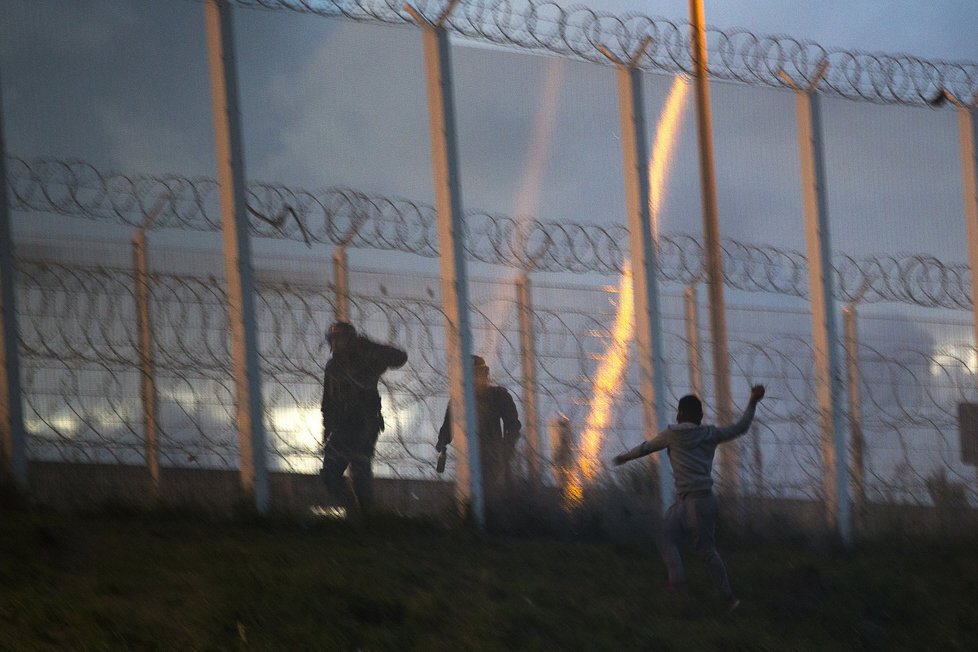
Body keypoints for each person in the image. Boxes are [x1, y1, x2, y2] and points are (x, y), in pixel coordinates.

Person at [612, 385, 766, 612]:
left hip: (691, 502)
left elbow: (646, 448)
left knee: (697, 547)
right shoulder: (710, 433)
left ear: (680, 414)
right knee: (672, 537)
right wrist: (753, 401)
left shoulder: (671, 434)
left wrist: (624, 457)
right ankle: (679, 584)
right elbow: (740, 428)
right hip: (700, 501)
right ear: (700, 416)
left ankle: (728, 597)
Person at [320, 321, 407, 515]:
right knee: (329, 474)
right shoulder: (333, 365)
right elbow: (327, 399)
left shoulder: (366, 358)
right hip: (341, 427)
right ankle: (353, 510)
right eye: (332, 339)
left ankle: (367, 518)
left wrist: (368, 347)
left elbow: (399, 357)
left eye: (340, 339)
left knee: (360, 473)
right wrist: (326, 428)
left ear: (350, 340)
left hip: (364, 424)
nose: (335, 344)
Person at [436, 356, 522, 503]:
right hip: (468, 458)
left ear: (484, 375)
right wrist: (442, 444)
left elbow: (513, 425)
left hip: (492, 458)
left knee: (489, 498)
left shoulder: (498, 396)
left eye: (476, 375)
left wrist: (506, 449)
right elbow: (448, 427)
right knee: (471, 499)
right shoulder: (458, 401)